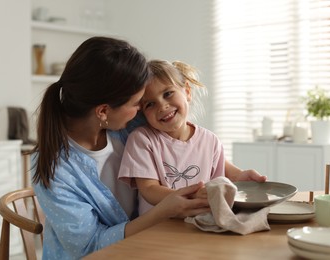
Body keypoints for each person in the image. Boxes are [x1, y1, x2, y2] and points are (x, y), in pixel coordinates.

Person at [31, 37, 265, 259]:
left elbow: (188, 151)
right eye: (138, 104)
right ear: (103, 111)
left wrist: (236, 174)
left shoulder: (126, 124)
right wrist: (164, 210)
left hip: (150, 243)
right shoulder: (55, 171)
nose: (145, 111)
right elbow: (90, 246)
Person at [118, 60, 266, 215]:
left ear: (187, 91)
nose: (162, 106)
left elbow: (220, 179)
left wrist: (241, 177)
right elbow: (149, 189)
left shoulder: (210, 141)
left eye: (168, 94)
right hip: (158, 228)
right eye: (150, 104)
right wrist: (191, 196)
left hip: (199, 225)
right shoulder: (142, 140)